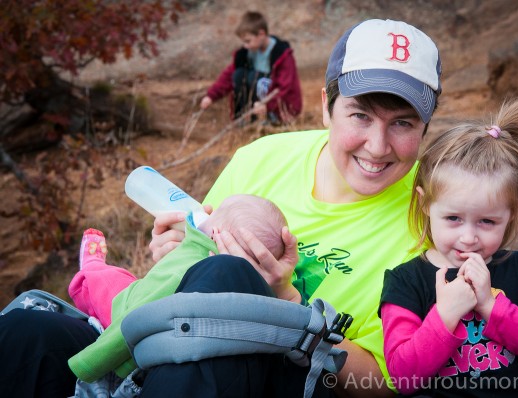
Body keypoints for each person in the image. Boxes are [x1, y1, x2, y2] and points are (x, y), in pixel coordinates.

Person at [0, 18, 442, 398]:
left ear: (425, 127)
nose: (378, 146)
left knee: (229, 277)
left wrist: (289, 305)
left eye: (402, 123)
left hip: (290, 378)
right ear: (327, 107)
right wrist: (178, 258)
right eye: (360, 116)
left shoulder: (434, 217)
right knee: (27, 336)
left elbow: (383, 386)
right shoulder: (262, 157)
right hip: (165, 350)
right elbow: (195, 265)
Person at [379, 95, 518, 396]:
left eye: (487, 222)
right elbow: (403, 376)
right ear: (425, 203)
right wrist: (445, 315)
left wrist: (491, 306)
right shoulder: (405, 281)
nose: (468, 238)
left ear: (513, 213)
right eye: (453, 217)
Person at [68, 193, 287, 329]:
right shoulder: (242, 298)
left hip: (127, 317)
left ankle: (92, 268)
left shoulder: (199, 262)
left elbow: (128, 324)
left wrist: (88, 362)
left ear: (215, 234)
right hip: (168, 334)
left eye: (215, 212)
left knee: (109, 283)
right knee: (132, 283)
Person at [199, 10, 302, 124]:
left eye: (248, 41)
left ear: (261, 34)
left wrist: (267, 105)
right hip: (256, 102)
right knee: (239, 74)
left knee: (255, 77)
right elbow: (228, 76)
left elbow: (284, 87)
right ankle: (244, 118)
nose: (245, 45)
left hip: (277, 105)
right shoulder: (246, 53)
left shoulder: (282, 54)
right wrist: (211, 96)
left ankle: (271, 118)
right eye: (244, 42)